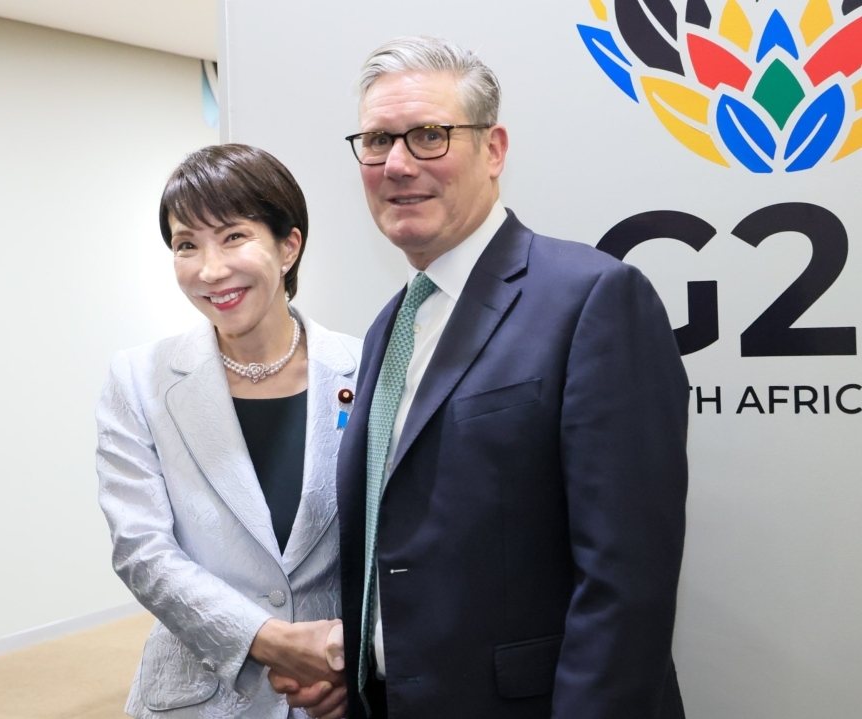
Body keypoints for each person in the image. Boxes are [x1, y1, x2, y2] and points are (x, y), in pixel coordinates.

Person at [278, 37, 689, 718]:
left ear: (493, 150)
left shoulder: (594, 299)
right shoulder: (391, 326)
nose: (398, 164)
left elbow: (627, 581)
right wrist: (361, 669)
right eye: (377, 140)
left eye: (430, 136)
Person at [96, 144, 356, 719]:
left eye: (234, 236)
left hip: (336, 692)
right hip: (199, 699)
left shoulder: (365, 369)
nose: (210, 270)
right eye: (187, 244)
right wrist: (270, 639)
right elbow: (142, 550)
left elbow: (396, 540)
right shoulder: (139, 379)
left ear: (289, 246)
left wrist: (351, 658)